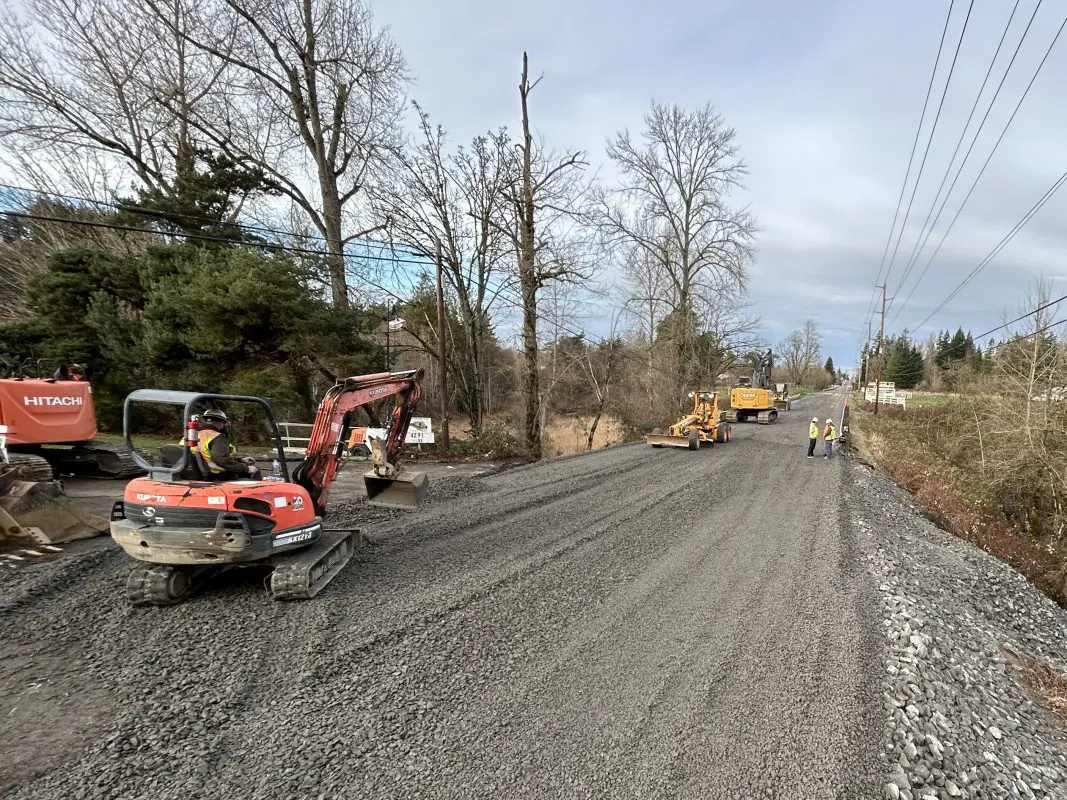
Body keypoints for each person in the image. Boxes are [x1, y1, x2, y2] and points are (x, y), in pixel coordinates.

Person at [192, 409, 261, 480]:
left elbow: (206, 456)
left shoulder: (192, 435)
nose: (224, 426)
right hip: (216, 475)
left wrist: (241, 460)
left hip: (197, 473)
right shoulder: (217, 436)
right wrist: (246, 469)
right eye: (224, 423)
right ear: (220, 422)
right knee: (255, 470)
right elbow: (221, 459)